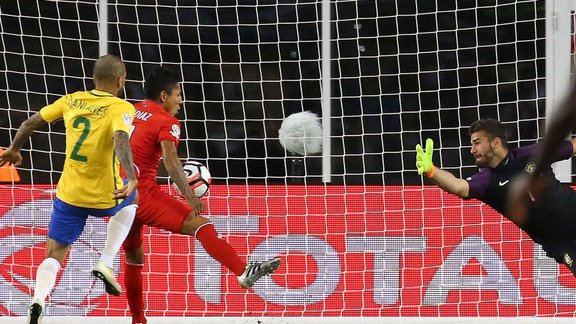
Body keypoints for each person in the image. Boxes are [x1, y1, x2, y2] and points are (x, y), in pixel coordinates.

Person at [122, 66, 280, 324]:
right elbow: (171, 161)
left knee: (133, 257)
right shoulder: (167, 121)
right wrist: (189, 195)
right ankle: (242, 270)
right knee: (201, 225)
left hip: (116, 194)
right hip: (143, 194)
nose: (181, 101)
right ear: (164, 96)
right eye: (178, 95)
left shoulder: (129, 111)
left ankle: (138, 320)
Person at [0, 55, 139, 324]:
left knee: (55, 253)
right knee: (133, 197)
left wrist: (14, 148)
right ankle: (106, 261)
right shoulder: (121, 107)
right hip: (104, 195)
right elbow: (121, 139)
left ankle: (38, 299)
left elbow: (30, 123)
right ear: (121, 81)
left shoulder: (71, 100)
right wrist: (131, 176)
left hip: (70, 194)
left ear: (93, 79)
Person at [416, 118, 576, 276]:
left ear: (496, 143)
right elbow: (457, 186)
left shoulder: (529, 155)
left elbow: (572, 146)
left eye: (477, 143)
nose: (472, 150)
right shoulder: (486, 181)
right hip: (563, 245)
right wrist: (431, 171)